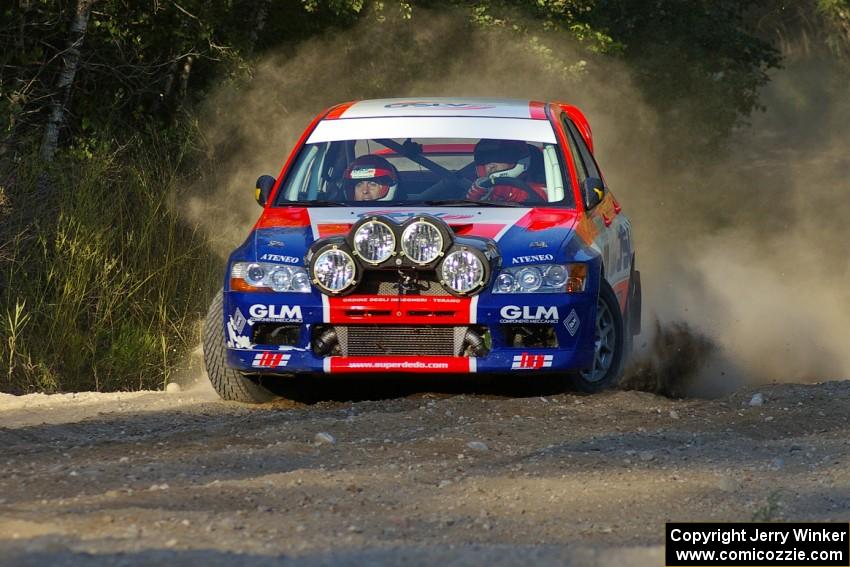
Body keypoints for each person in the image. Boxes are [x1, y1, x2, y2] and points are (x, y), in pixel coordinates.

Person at [466, 139, 547, 203]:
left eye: (499, 157)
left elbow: (546, 196)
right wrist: (472, 198)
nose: (491, 166)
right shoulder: (470, 181)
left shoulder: (544, 180)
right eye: (485, 160)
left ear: (518, 160)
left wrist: (506, 191)